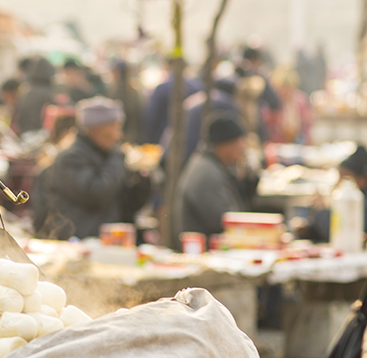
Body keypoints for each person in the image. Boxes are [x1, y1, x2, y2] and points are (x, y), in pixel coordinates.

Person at [32, 96, 151, 240]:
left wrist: (142, 180)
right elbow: (97, 194)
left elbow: (127, 205)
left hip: (112, 238)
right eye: (115, 128)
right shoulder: (71, 158)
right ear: (97, 129)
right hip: (81, 238)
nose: (119, 136)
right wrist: (117, 157)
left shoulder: (107, 155)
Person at [172, 113, 256, 247]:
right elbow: (225, 222)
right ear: (225, 145)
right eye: (240, 141)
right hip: (203, 249)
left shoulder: (215, 165)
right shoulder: (206, 172)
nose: (243, 147)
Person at [296, 145, 367, 243]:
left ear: (362, 180)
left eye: (345, 177)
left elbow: (337, 232)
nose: (339, 182)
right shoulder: (343, 198)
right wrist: (307, 231)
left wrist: (321, 209)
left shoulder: (363, 203)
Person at [14, 55, 55, 135]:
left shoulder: (27, 90)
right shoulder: (49, 93)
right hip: (42, 133)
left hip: (25, 133)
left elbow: (20, 115)